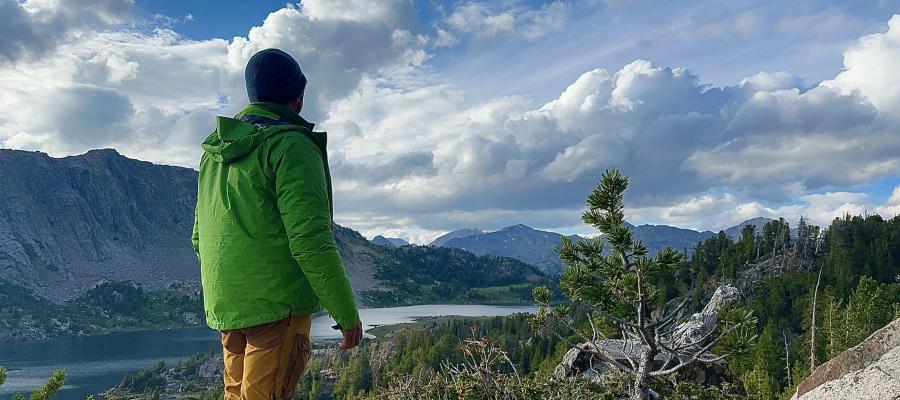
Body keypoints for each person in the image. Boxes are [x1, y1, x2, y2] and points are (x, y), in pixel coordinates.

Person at [191, 48, 362, 400]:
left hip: (228, 306)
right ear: (297, 97)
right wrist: (346, 315)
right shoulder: (290, 146)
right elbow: (310, 241)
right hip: (277, 307)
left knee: (237, 395)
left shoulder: (215, 154)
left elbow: (199, 238)